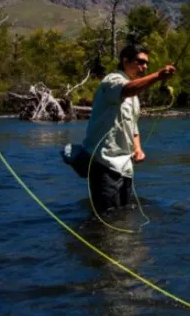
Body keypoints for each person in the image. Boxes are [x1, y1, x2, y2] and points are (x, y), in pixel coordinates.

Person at [62, 44, 175, 213]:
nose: (144, 67)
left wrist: (137, 148)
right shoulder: (112, 80)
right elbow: (126, 90)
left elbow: (132, 124)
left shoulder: (133, 94)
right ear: (125, 61)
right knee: (107, 215)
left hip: (124, 165)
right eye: (140, 62)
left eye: (146, 64)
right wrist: (158, 76)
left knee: (122, 213)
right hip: (104, 162)